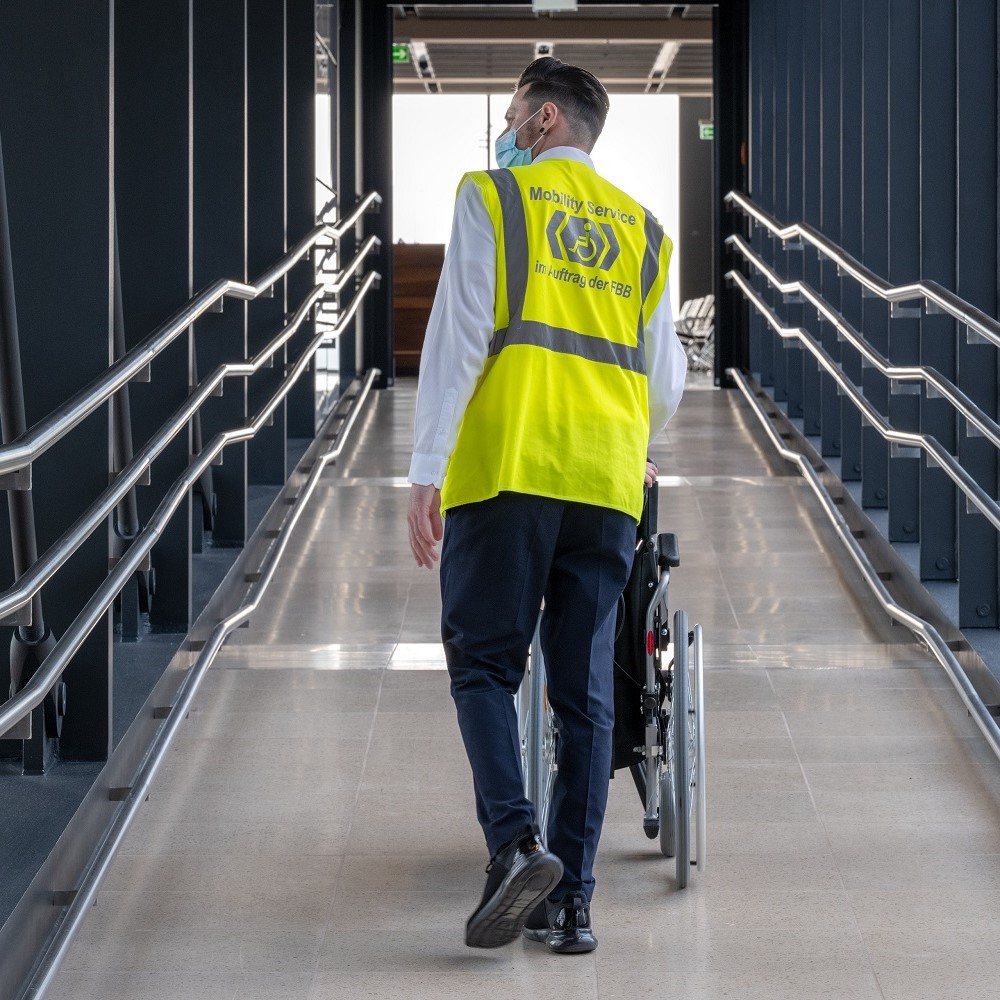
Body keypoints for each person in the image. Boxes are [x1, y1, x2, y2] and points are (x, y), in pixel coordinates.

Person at [406, 56, 687, 954]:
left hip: (510, 468)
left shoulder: (493, 200)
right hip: (604, 486)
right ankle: (572, 906)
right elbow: (668, 382)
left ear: (548, 119)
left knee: (483, 665)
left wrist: (425, 469)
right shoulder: (643, 231)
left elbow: (455, 339)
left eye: (519, 112)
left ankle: (514, 843)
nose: (509, 128)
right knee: (586, 692)